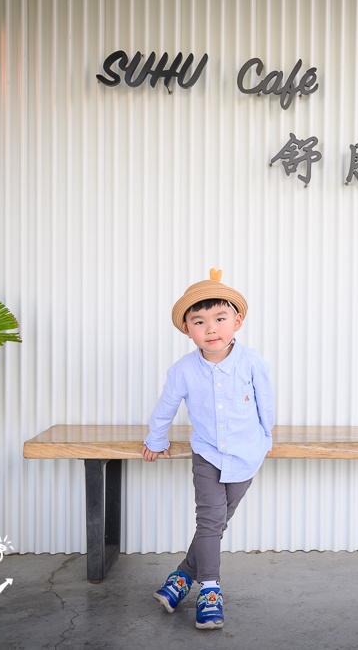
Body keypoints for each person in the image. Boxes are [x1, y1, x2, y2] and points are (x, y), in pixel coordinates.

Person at [142, 268, 275, 630]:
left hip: (246, 454)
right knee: (210, 520)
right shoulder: (183, 370)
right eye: (199, 322)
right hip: (207, 456)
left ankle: (182, 576)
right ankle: (210, 590)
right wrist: (156, 440)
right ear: (187, 330)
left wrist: (264, 440)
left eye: (220, 319)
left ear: (237, 321)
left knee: (215, 524)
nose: (211, 329)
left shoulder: (251, 361)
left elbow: (267, 403)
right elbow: (165, 407)